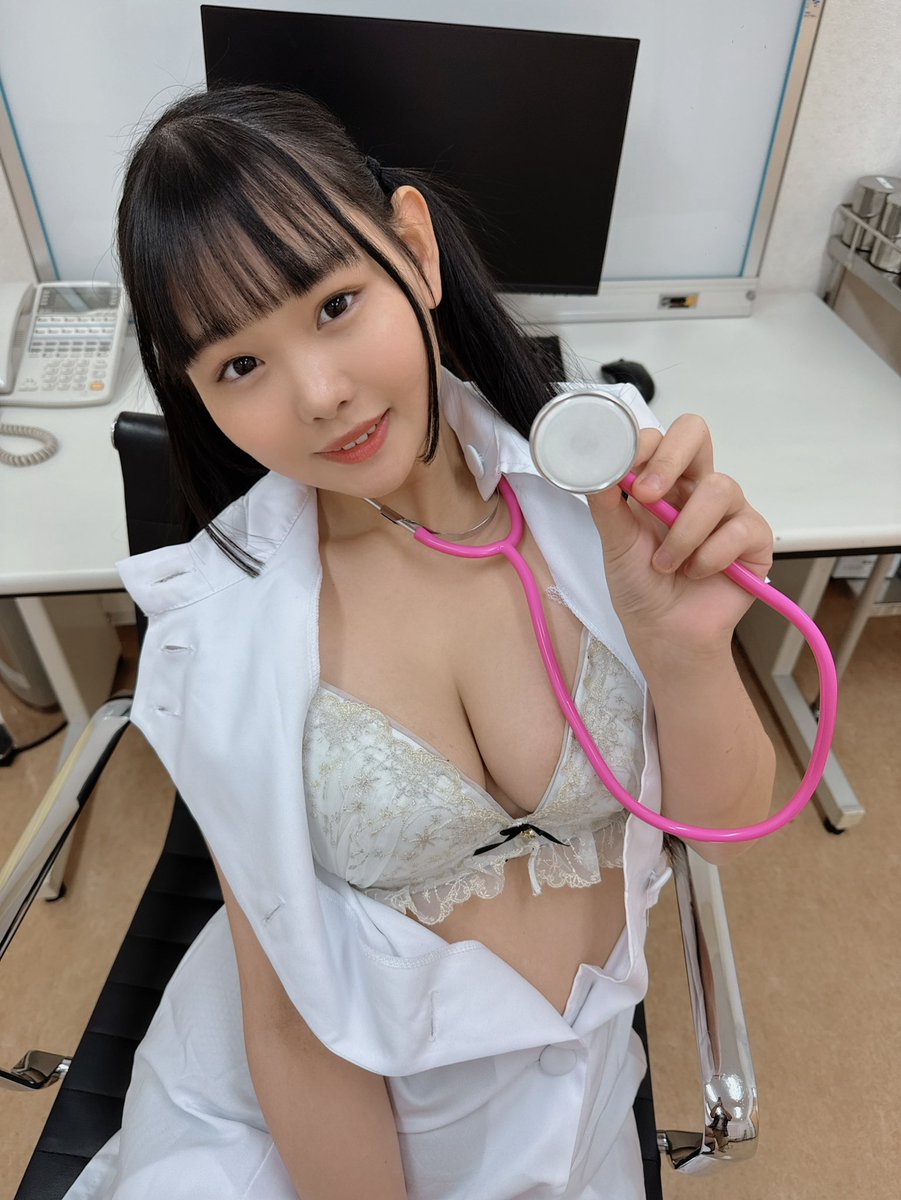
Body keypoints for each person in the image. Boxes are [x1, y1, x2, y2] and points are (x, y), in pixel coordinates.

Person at [65, 84, 776, 1200]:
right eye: (238, 366)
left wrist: (682, 646)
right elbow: (290, 1027)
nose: (320, 394)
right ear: (194, 392)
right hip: (318, 1125)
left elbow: (723, 837)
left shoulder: (605, 484)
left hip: (576, 1084)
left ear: (414, 247)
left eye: (335, 303)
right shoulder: (222, 628)